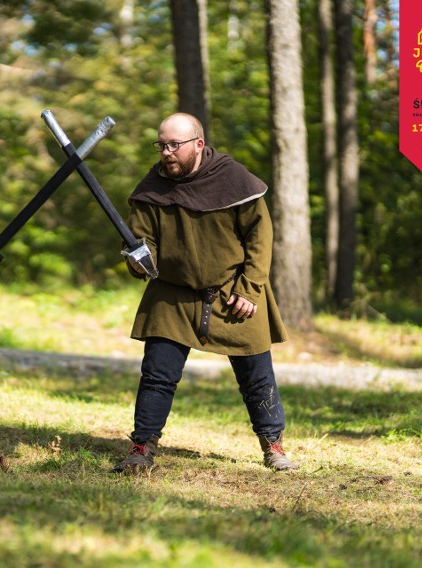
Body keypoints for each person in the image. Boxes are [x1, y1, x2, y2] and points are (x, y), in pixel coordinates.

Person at [112, 113, 298, 473]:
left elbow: (260, 239)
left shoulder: (234, 181)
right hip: (173, 293)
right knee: (157, 373)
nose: (166, 153)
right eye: (161, 145)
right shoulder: (152, 188)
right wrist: (138, 258)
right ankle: (142, 447)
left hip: (233, 291)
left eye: (173, 145)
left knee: (257, 376)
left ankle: (273, 444)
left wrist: (250, 289)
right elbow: (141, 239)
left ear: (198, 144)